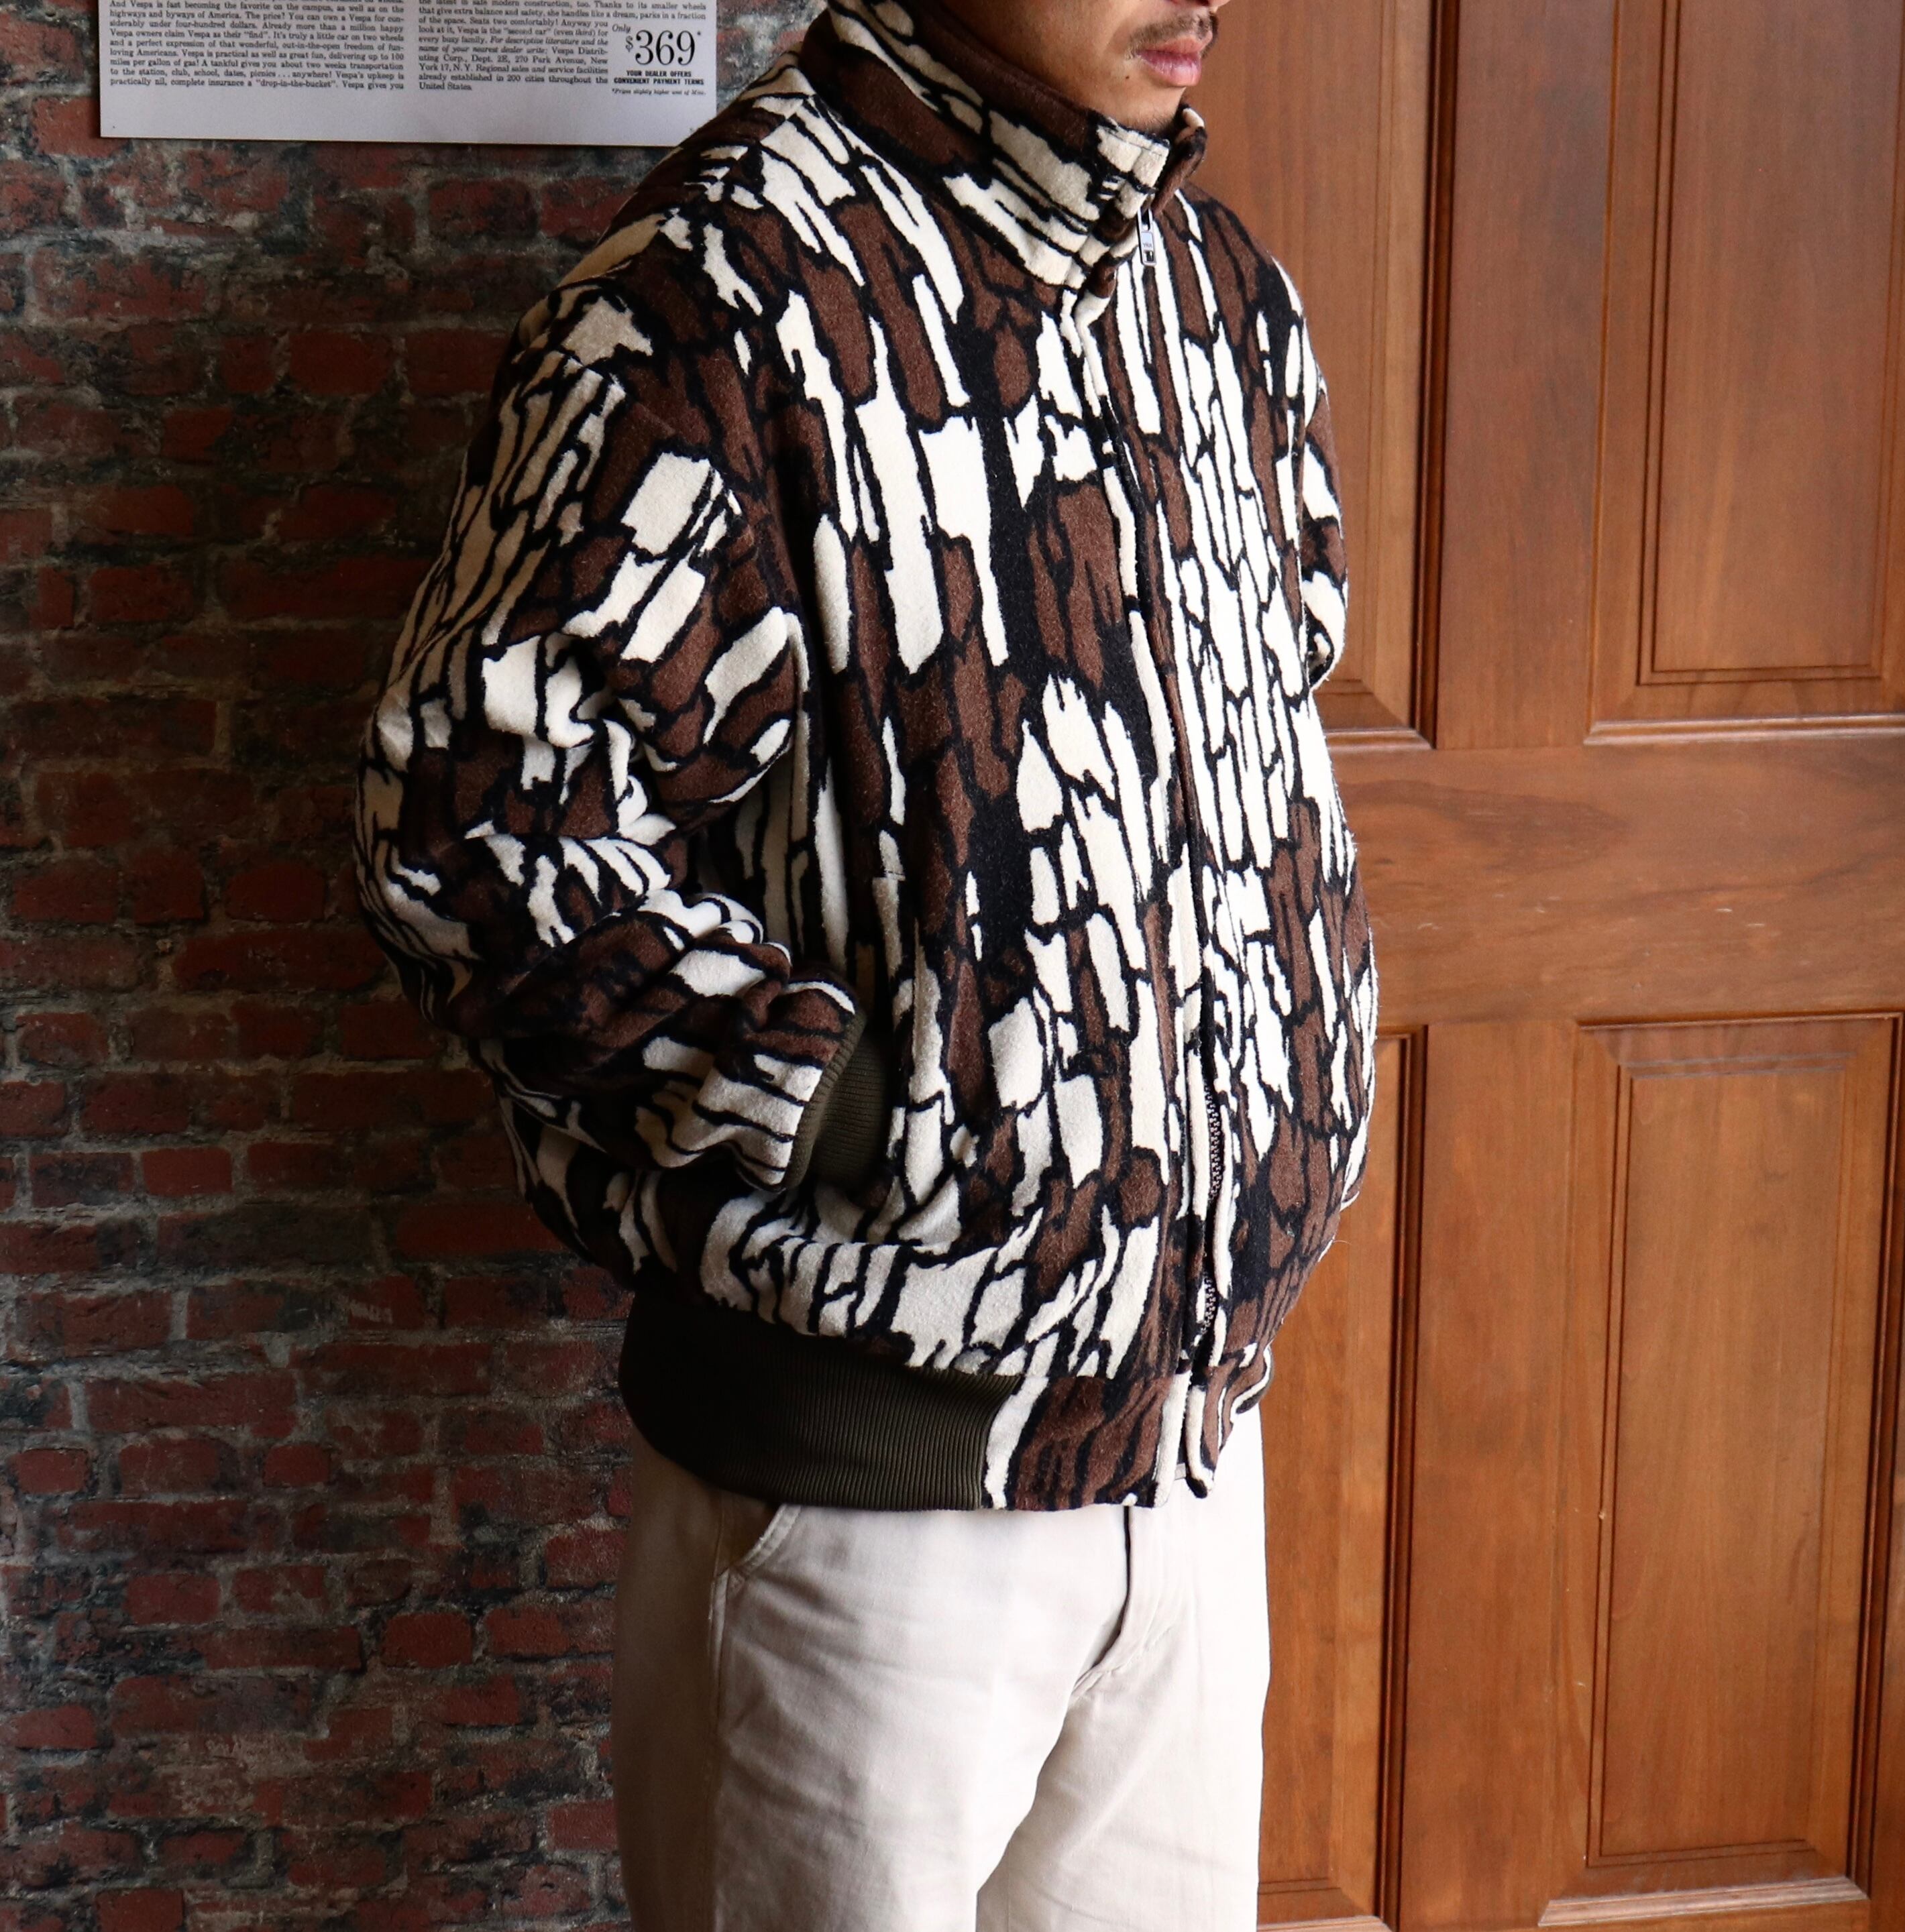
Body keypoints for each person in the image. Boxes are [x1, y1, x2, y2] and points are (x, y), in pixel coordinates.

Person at [352, 0, 1377, 1923]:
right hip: (858, 1506)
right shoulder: (715, 299)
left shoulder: (1218, 293)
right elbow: (481, 825)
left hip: (1189, 1454)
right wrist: (863, 1120)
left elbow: (1273, 716)